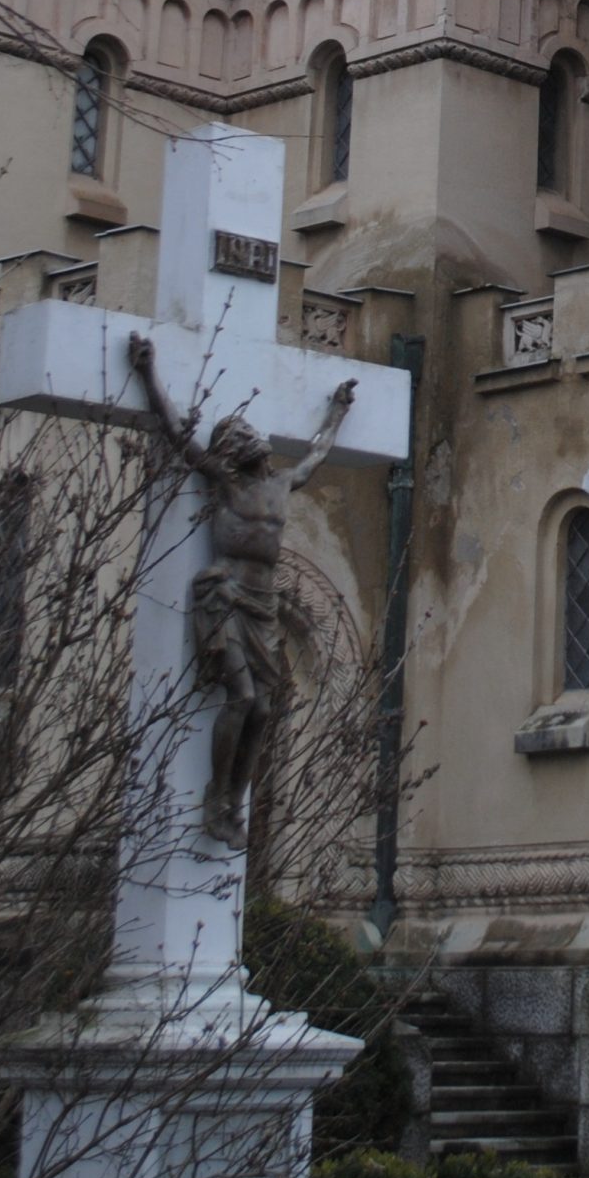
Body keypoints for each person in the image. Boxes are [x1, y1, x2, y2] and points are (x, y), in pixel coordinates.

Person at [127, 331, 354, 847]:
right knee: (243, 695)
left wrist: (338, 410)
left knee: (265, 708)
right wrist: (147, 373)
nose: (251, 441)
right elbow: (176, 433)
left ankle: (235, 799)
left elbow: (318, 453)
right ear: (231, 451)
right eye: (239, 437)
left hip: (262, 602)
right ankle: (216, 796)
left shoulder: (281, 484)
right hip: (225, 594)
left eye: (248, 435)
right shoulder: (227, 482)